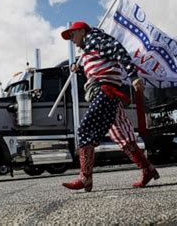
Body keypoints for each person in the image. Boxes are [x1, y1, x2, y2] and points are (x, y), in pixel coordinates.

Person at [61, 21, 159, 192]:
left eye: (73, 34)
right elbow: (94, 61)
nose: (71, 39)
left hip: (105, 91)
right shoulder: (87, 49)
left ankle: (85, 178)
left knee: (85, 130)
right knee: (122, 136)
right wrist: (77, 65)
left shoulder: (94, 39)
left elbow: (117, 49)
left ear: (83, 31)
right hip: (107, 94)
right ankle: (148, 170)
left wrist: (133, 76)